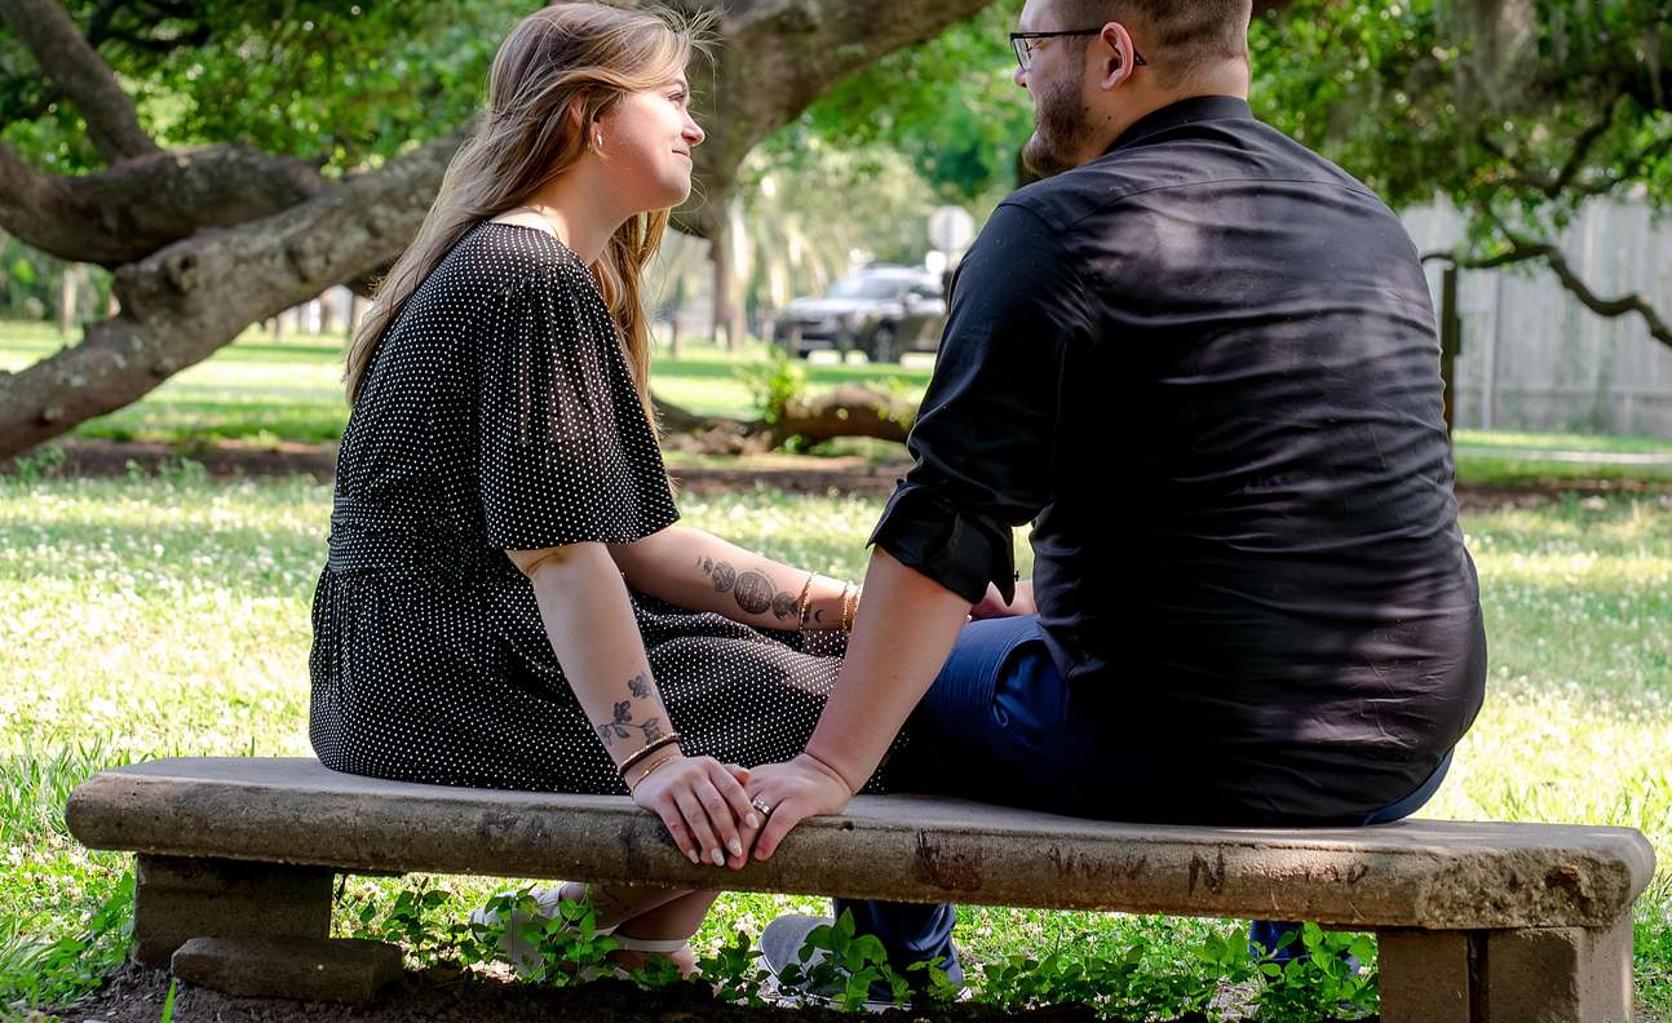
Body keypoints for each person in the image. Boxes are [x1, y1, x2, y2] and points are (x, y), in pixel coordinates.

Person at [742, 0, 1487, 995]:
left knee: (887, 671)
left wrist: (828, 767)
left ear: (1113, 54)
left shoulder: (1057, 226)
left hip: (1164, 745)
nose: (1020, 75)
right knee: (1027, 644)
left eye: (1030, 47)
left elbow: (946, 520)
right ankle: (1298, 975)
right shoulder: (1368, 221)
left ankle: (891, 975)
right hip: (1404, 746)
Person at [309, 2, 866, 974]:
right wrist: (652, 760)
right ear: (589, 117)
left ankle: (639, 949)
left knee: (824, 666)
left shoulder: (526, 262)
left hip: (396, 670)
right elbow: (563, 556)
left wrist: (849, 609)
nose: (695, 128)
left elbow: (640, 546)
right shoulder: (527, 277)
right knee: (844, 713)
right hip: (445, 673)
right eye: (673, 99)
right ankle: (554, 928)